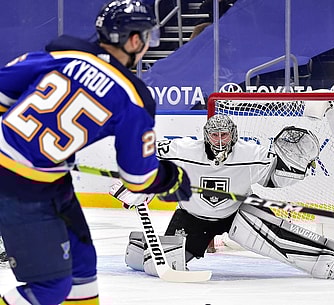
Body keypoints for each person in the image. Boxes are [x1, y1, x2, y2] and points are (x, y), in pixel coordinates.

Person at [0, 1, 191, 304]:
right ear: (133, 40)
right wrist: (170, 177)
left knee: (82, 271)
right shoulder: (133, 97)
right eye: (147, 37)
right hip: (23, 190)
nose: (147, 45)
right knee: (51, 286)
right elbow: (138, 180)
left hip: (46, 183)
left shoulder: (60, 54)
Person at [112, 114, 334, 280]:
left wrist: (297, 165)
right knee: (155, 264)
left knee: (279, 239)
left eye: (224, 135)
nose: (220, 140)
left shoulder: (251, 154)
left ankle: (325, 259)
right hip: (192, 217)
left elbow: (276, 178)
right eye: (214, 135)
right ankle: (138, 246)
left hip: (238, 213)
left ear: (233, 135)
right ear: (206, 136)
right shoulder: (184, 151)